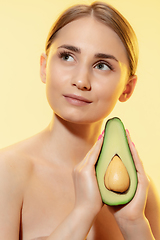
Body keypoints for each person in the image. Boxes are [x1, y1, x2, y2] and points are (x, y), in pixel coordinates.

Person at [0, 1, 159, 240]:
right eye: (67, 56)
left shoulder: (140, 190)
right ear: (44, 67)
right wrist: (83, 211)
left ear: (127, 87)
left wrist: (133, 222)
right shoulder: (8, 172)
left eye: (102, 65)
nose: (81, 80)